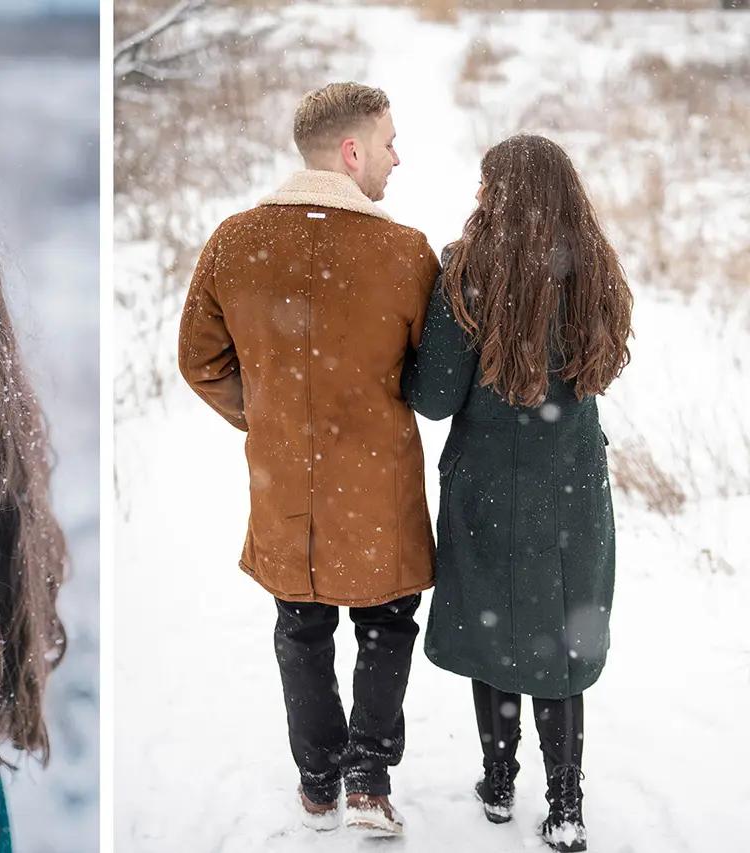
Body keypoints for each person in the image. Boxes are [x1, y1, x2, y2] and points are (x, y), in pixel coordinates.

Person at [177, 82, 439, 838]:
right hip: (381, 485)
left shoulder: (235, 241)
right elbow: (432, 376)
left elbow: (200, 361)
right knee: (387, 623)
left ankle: (318, 780)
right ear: (351, 152)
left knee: (301, 623)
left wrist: (269, 419)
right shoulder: (404, 252)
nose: (399, 156)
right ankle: (367, 778)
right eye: (389, 142)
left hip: (285, 483)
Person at [401, 134, 631, 853]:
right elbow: (601, 367)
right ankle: (566, 805)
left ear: (497, 192)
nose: (476, 196)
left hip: (488, 486)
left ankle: (498, 783)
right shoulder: (594, 268)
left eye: (484, 184)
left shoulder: (468, 269)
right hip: (572, 482)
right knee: (560, 641)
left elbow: (435, 397)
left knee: (491, 631)